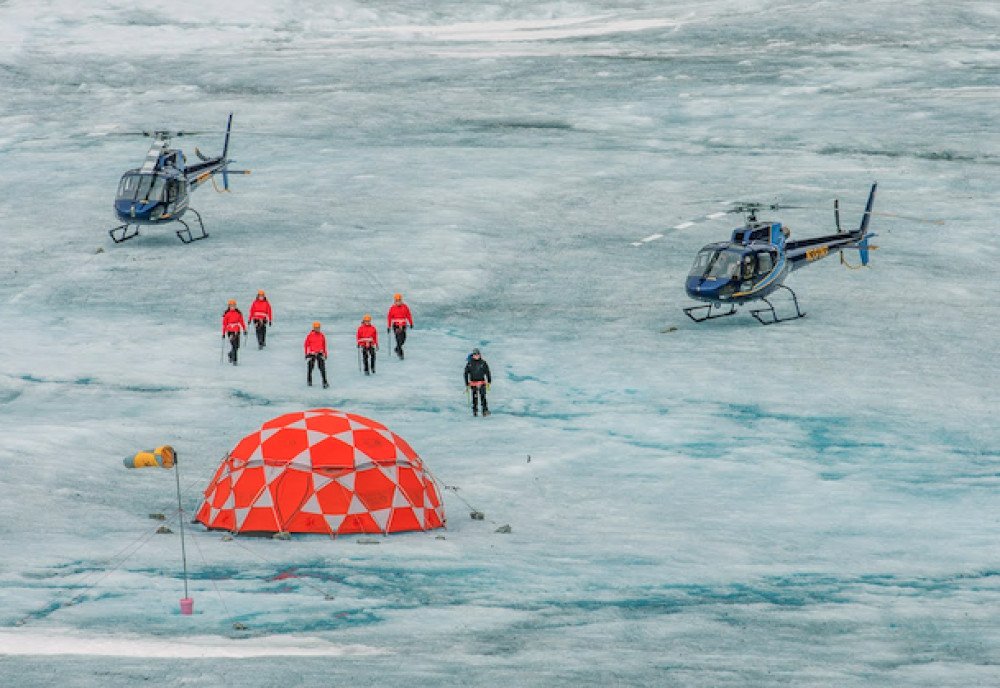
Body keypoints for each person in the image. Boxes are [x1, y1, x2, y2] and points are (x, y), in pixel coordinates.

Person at [463, 348, 492, 417]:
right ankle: (475, 411)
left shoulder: (483, 363)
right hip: (473, 383)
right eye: (475, 354)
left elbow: (487, 372)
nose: (477, 356)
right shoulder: (470, 364)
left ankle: (484, 411)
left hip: (482, 382)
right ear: (473, 355)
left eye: (478, 354)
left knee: (483, 397)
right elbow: (466, 373)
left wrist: (489, 381)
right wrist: (467, 383)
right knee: (474, 398)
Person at [386, 293, 414, 360]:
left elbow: (408, 315)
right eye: (397, 301)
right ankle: (401, 354)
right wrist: (389, 326)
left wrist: (411, 323)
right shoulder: (392, 308)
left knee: (403, 339)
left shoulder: (405, 307)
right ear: (395, 301)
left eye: (399, 301)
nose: (398, 302)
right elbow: (389, 317)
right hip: (396, 326)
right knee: (398, 339)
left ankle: (397, 348)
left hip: (403, 325)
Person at [221, 299, 246, 365]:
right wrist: (223, 333)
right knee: (234, 345)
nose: (232, 307)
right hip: (230, 332)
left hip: (237, 331)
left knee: (237, 346)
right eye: (231, 306)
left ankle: (230, 354)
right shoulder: (227, 314)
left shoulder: (238, 314)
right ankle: (235, 360)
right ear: (229, 306)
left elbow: (242, 322)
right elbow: (224, 325)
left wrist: (244, 329)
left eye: (234, 306)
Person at [304, 321, 329, 388]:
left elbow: (324, 345)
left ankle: (325, 382)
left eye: (318, 328)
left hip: (319, 353)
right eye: (316, 328)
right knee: (310, 368)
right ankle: (309, 382)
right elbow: (306, 345)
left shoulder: (322, 335)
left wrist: (325, 354)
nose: (317, 329)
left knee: (322, 368)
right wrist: (307, 354)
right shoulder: (310, 336)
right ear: (314, 328)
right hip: (312, 353)